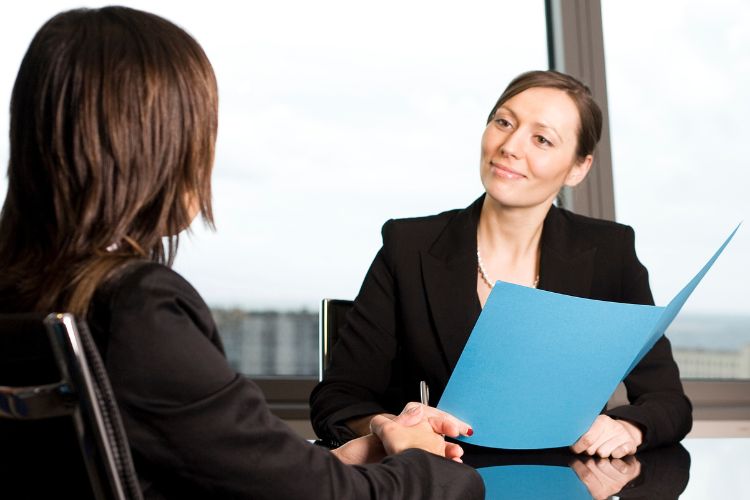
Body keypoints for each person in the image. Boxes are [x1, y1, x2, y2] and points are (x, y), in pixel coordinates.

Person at [0, 7, 483, 499]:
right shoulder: (136, 310)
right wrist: (428, 466)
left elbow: (206, 466)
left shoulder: (27, 298)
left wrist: (336, 461)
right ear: (158, 145)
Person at [310, 70, 693, 458]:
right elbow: (338, 398)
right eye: (504, 122)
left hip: (566, 483)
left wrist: (628, 428)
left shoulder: (611, 251)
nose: (510, 146)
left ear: (579, 168)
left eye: (542, 139)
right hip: (438, 483)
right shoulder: (407, 246)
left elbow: (668, 401)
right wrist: (386, 426)